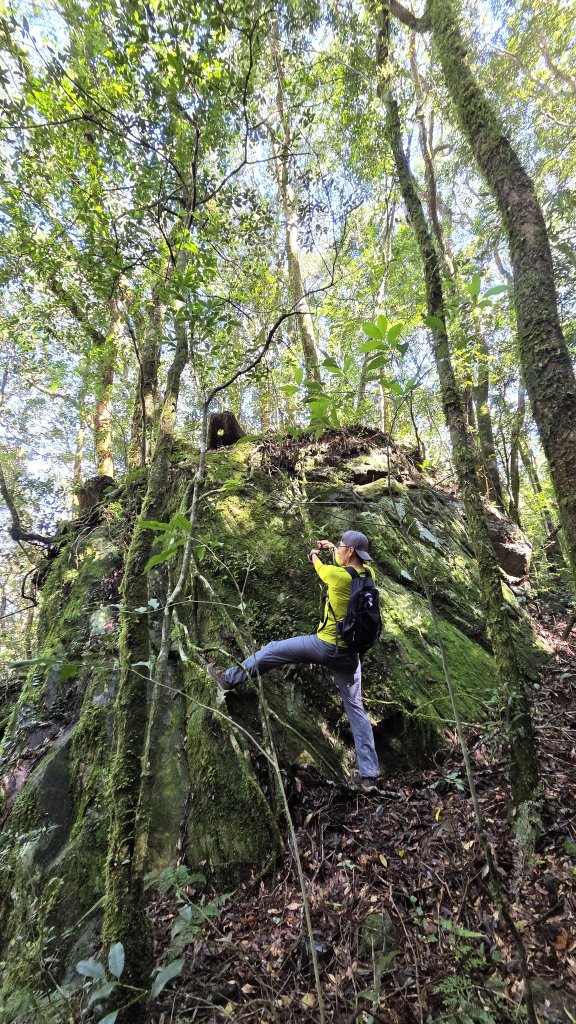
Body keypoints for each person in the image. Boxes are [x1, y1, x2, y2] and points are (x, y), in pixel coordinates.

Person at [207, 530, 381, 791]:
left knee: (274, 650)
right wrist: (334, 545)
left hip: (324, 646)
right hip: (351, 655)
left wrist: (313, 554)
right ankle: (369, 775)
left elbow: (322, 569)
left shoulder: (335, 576)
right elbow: (344, 565)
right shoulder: (370, 575)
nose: (340, 551)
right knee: (356, 710)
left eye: (343, 547)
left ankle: (229, 679)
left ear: (351, 552)